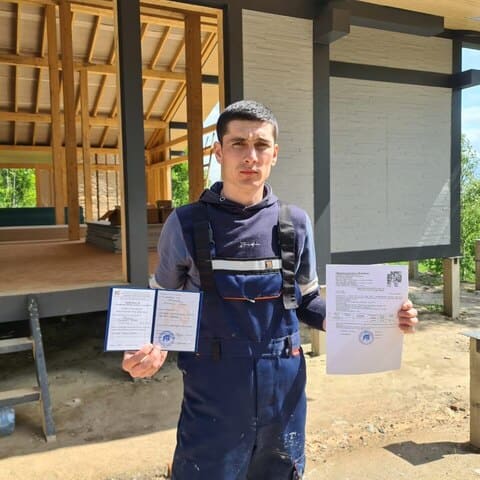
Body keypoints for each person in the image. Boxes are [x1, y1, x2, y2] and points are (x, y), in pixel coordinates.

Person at [122, 100, 418, 479]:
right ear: (219, 152)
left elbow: (307, 301)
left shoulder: (295, 223)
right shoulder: (185, 224)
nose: (251, 156)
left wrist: (379, 318)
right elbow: (162, 302)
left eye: (261, 145)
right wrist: (148, 347)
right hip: (213, 391)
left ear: (274, 154)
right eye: (238, 144)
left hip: (284, 391)